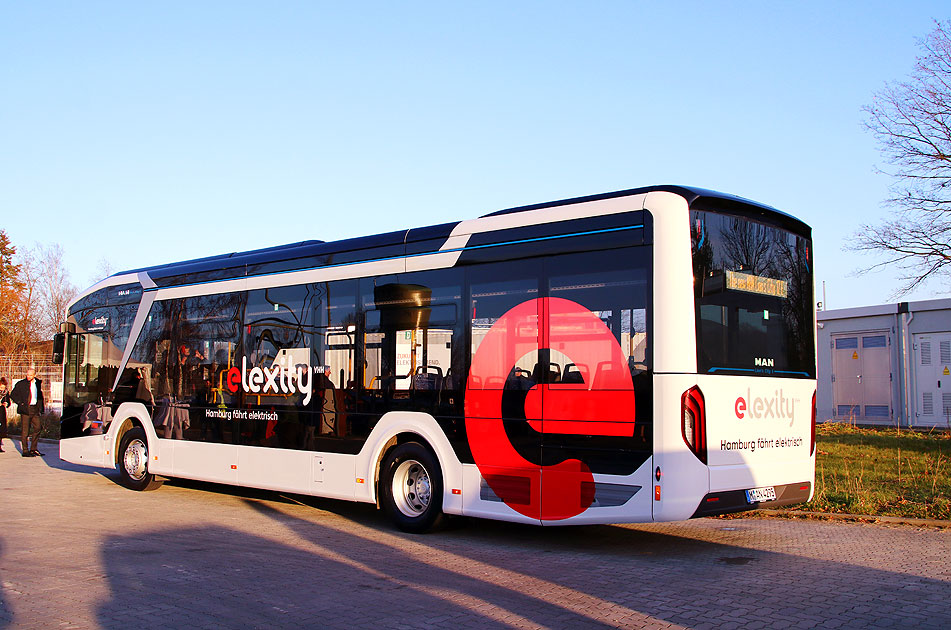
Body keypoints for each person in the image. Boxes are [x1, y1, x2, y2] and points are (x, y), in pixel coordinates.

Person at [11, 368, 45, 457]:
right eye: (27, 375)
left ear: (34, 375)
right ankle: (25, 451)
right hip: (26, 409)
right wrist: (20, 403)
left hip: (35, 409)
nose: (28, 376)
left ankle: (33, 449)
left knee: (38, 427)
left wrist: (41, 408)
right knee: (25, 431)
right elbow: (13, 395)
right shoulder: (21, 384)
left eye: (30, 375)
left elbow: (40, 396)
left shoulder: (37, 383)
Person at [0, 377, 10, 452]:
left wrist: (6, 404)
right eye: (1, 387)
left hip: (2, 411)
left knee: (1, 428)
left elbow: (8, 402)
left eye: (3, 388)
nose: (2, 389)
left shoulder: (6, 393)